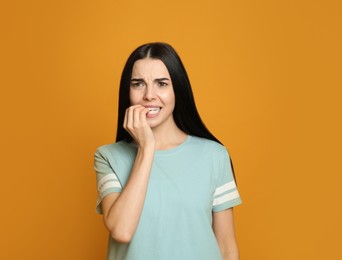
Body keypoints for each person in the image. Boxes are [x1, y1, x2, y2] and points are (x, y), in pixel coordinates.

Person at [94, 42, 242, 260]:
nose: (149, 95)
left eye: (161, 83)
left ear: (178, 90)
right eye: (138, 84)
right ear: (128, 92)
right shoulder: (108, 157)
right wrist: (147, 147)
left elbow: (227, 248)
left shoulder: (215, 156)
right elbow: (121, 230)